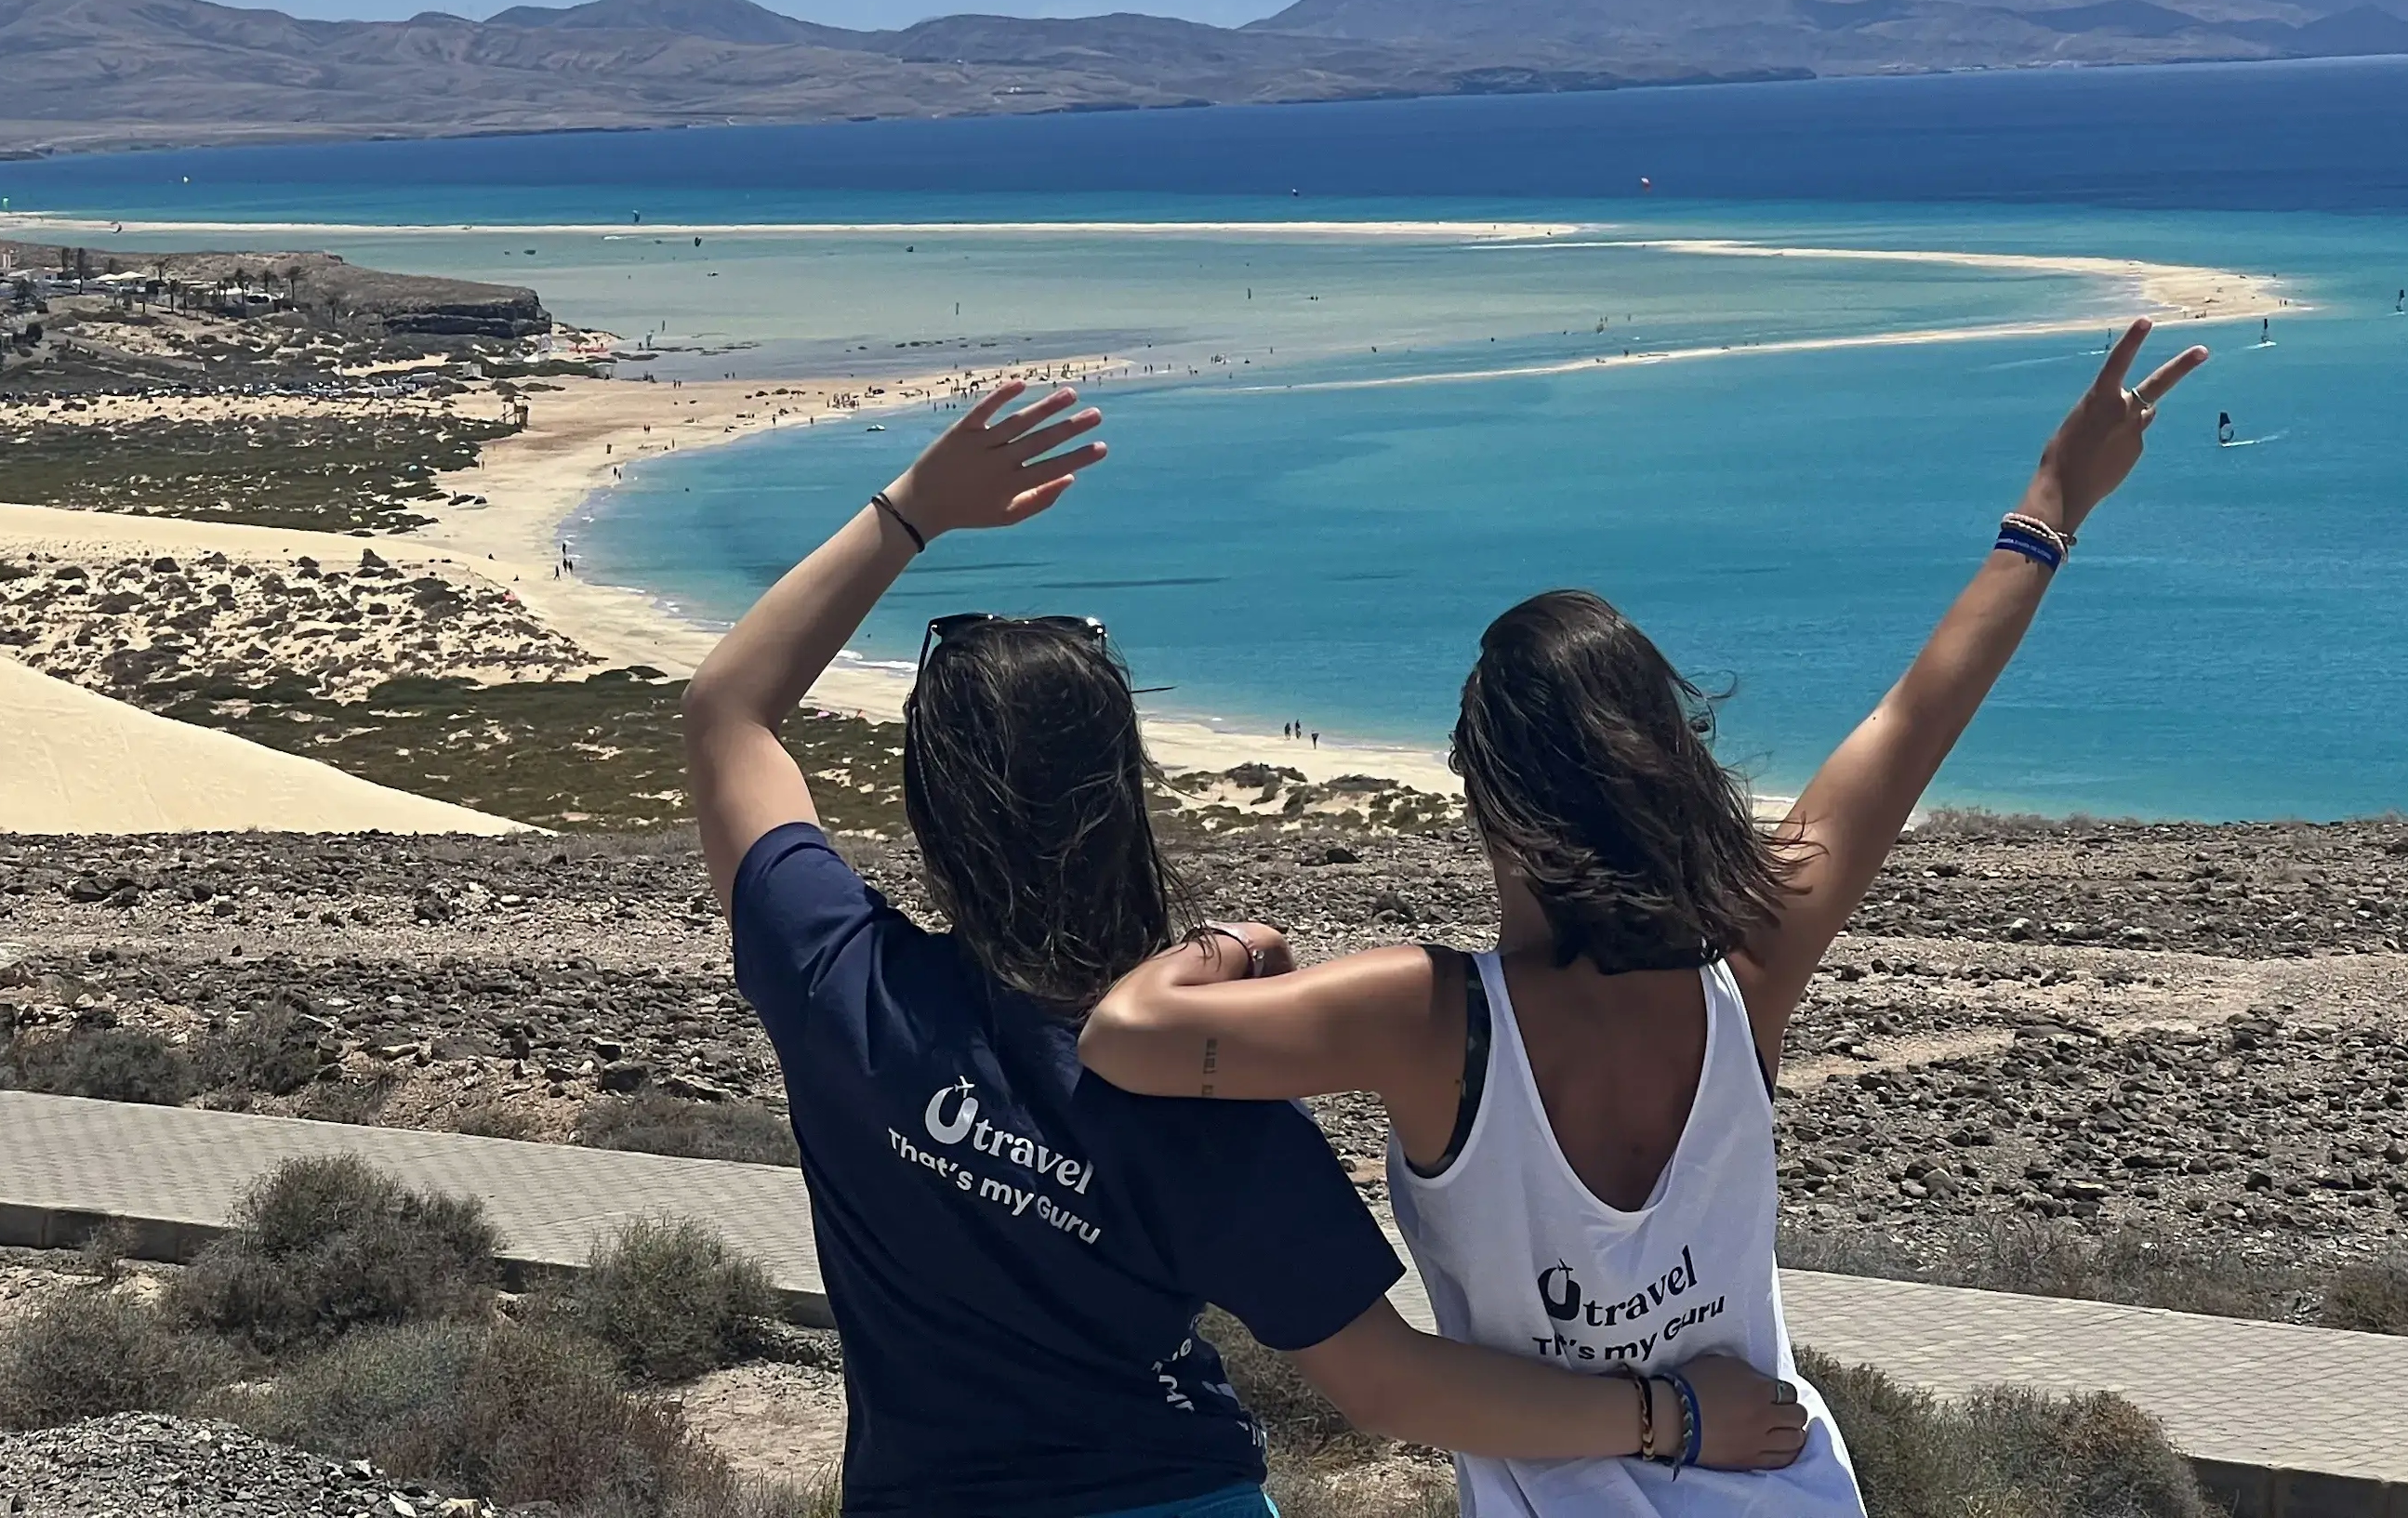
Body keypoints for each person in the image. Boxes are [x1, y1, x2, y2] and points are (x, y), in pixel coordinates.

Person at [1079, 322, 2207, 1517]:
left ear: (1491, 800)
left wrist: (1237, 949)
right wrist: (2050, 503)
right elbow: (1915, 720)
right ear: (1666, 770)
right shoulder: (1751, 963)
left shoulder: (1425, 1019)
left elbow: (1124, 1034)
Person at [683, 381, 1804, 1518]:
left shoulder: (837, 983)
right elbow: (1386, 1380)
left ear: (929, 807)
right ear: (1124, 800)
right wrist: (1674, 1417)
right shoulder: (1200, 1091)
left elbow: (730, 711)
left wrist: (914, 511)